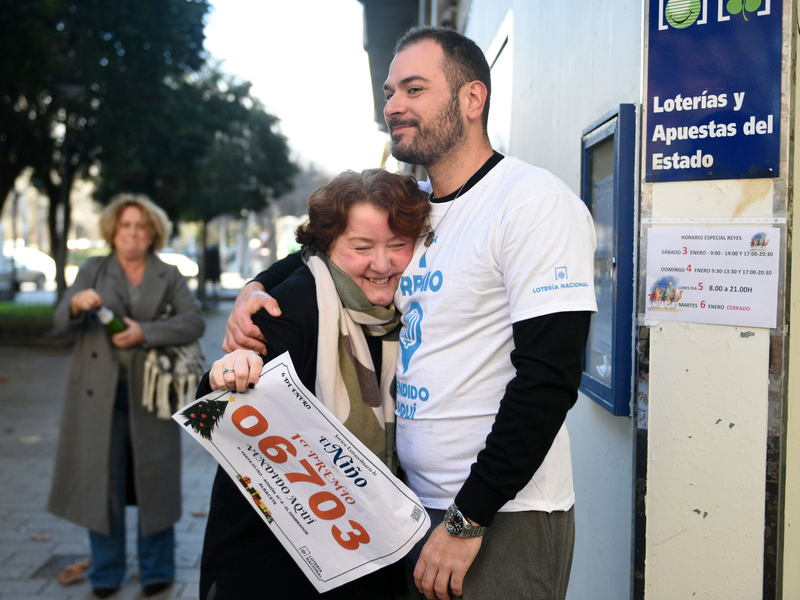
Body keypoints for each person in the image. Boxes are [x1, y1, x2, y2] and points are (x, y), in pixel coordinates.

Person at [223, 26, 597, 600]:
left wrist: (468, 518)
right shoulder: (416, 212)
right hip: (413, 508)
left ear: (472, 99)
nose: (394, 105)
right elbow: (323, 247)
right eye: (390, 91)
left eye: (414, 89)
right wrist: (254, 287)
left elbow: (549, 378)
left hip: (502, 512)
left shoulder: (532, 203)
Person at [196, 169, 430, 600]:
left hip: (366, 559)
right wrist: (228, 372)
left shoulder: (408, 310)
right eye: (361, 248)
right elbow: (212, 405)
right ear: (327, 247)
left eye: (398, 246)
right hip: (270, 567)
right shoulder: (291, 304)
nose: (382, 264)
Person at [49, 194, 205, 598]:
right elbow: (61, 318)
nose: (133, 234)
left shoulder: (167, 274)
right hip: (95, 397)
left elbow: (193, 321)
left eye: (141, 227)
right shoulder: (93, 269)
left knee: (154, 481)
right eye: (125, 227)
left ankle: (157, 568)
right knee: (102, 482)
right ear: (112, 232)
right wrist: (77, 303)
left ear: (152, 232)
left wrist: (145, 332)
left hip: (151, 396)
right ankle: (106, 571)